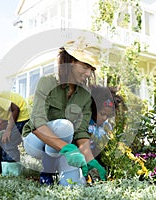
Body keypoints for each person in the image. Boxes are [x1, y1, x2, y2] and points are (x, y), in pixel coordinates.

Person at [22, 37, 106, 186]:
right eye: (85, 67)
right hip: (36, 142)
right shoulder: (47, 82)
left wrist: (89, 158)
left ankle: (58, 170)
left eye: (91, 69)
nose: (88, 73)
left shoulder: (85, 94)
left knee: (74, 186)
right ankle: (47, 170)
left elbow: (81, 131)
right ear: (71, 62)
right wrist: (67, 148)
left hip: (63, 146)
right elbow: (37, 123)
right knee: (65, 126)